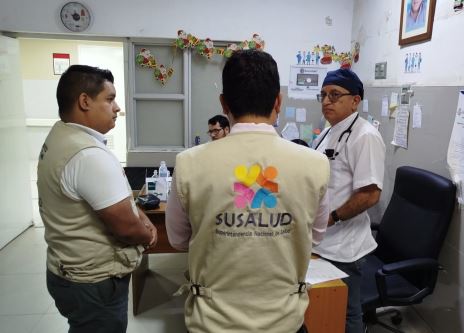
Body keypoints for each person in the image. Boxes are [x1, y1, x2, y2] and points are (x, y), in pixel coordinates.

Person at [165, 50, 331, 333]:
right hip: (285, 322)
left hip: (212, 323)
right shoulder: (315, 163)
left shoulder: (189, 162)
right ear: (278, 101)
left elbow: (178, 240)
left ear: (224, 103)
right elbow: (314, 236)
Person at [37, 65, 158, 333]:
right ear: (84, 101)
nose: (117, 108)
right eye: (110, 98)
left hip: (66, 269)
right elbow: (126, 228)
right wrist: (148, 235)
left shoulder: (60, 136)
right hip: (93, 281)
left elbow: (117, 199)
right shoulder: (87, 154)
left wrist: (142, 216)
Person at [312, 68, 386, 333]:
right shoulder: (329, 132)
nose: (326, 101)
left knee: (346, 312)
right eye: (322, 95)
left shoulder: (365, 136)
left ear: (356, 101)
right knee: (325, 307)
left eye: (334, 95)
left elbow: (370, 194)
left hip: (343, 245)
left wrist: (330, 218)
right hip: (323, 239)